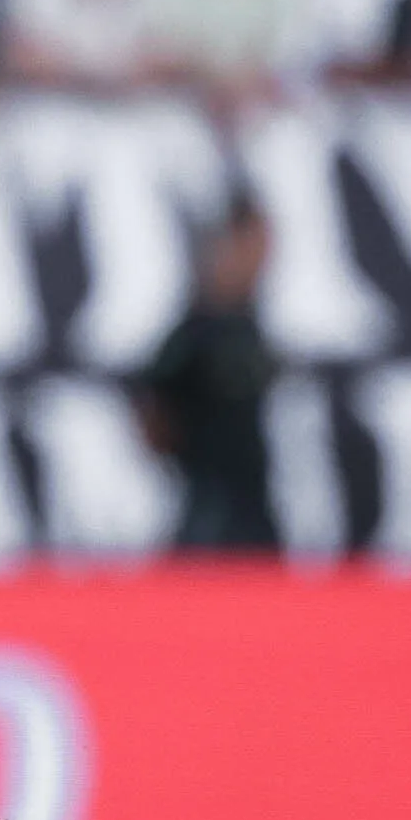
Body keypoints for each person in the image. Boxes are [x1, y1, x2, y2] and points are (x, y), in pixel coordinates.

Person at [136, 196, 279, 554]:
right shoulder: (197, 332)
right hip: (209, 514)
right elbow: (155, 409)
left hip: (256, 511)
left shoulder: (256, 324)